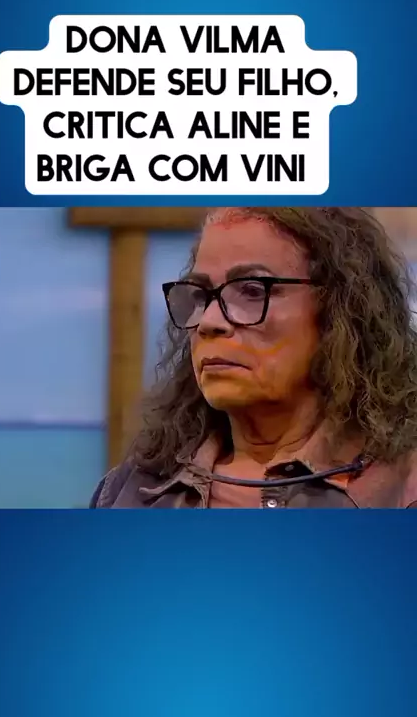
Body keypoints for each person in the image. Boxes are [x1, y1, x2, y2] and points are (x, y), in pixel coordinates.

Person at [91, 206, 417, 509]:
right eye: (200, 295)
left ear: (340, 311)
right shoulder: (129, 491)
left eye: (252, 291)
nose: (208, 322)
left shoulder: (402, 490)